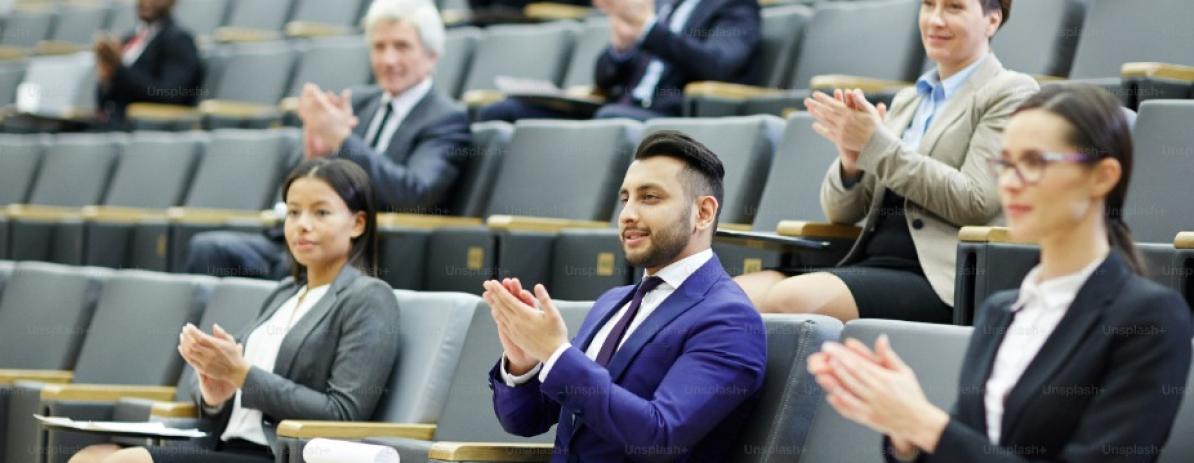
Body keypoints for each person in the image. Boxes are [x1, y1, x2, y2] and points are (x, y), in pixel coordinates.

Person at [809, 84, 1193, 462]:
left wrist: (926, 426)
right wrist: (907, 438)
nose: (1009, 183)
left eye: (1035, 162)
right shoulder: (1001, 309)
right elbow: (969, 450)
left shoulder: (1150, 318)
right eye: (1005, 164)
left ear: (1103, 176)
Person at [69, 159, 403, 463]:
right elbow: (231, 378)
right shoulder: (286, 292)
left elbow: (342, 415)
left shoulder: (369, 297)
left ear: (358, 223)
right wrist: (216, 394)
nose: (302, 225)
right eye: (293, 212)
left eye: (321, 213)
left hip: (278, 455)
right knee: (90, 457)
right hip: (224, 445)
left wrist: (240, 374)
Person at [734, 0, 1039, 323]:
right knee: (729, 297)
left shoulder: (1010, 92)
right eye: (929, 5)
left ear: (992, 21)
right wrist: (852, 162)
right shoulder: (909, 99)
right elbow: (841, 213)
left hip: (938, 277)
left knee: (788, 299)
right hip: (867, 261)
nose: (935, 20)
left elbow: (975, 202)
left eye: (954, 8)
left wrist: (876, 145)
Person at [485, 131, 767, 462]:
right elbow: (524, 421)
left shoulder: (730, 320)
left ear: (703, 212)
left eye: (649, 197)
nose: (627, 214)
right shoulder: (611, 302)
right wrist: (524, 361)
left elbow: (660, 437)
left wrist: (555, 353)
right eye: (625, 199)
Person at [183, 0, 471, 280]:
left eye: (402, 46)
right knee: (209, 249)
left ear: (432, 55)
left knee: (295, 270)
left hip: (366, 250)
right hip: (308, 239)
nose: (388, 60)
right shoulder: (359, 102)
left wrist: (343, 140)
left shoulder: (446, 118)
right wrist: (317, 159)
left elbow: (415, 195)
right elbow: (304, 181)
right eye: (379, 47)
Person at [476, 0, 760, 122]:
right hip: (618, 107)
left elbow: (718, 64)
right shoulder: (663, 4)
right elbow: (604, 77)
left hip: (670, 115)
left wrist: (649, 29)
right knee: (502, 111)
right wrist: (621, 48)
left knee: (610, 117)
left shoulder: (735, 5)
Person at [94, 0, 203, 127]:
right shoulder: (129, 39)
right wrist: (106, 77)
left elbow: (170, 94)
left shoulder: (179, 40)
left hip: (142, 126)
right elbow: (105, 99)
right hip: (113, 120)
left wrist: (119, 69)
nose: (146, 2)